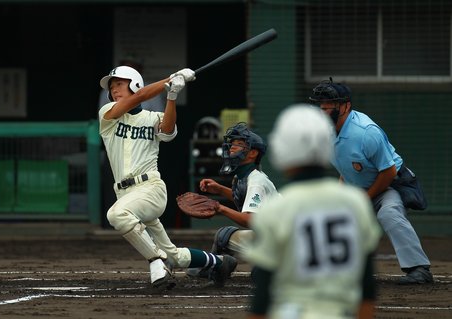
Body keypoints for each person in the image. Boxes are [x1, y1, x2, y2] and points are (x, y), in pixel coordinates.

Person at [98, 65, 236, 288]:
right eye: (112, 87)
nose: (114, 90)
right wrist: (169, 79)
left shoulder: (153, 117)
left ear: (134, 84)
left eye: (119, 84)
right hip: (125, 193)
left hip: (150, 189)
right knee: (174, 255)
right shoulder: (107, 114)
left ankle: (156, 260)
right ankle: (219, 263)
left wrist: (172, 95)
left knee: (117, 215)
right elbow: (141, 96)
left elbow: (168, 131)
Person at [245, 104, 382, 319]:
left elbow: (262, 295)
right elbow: (366, 285)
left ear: (282, 148)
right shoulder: (355, 202)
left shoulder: (275, 210)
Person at [309, 78, 434, 285]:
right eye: (319, 107)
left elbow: (388, 171)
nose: (322, 112)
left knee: (389, 213)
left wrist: (365, 199)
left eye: (327, 107)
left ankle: (419, 269)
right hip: (357, 188)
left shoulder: (366, 132)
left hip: (389, 185)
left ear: (345, 106)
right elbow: (346, 170)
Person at [186, 122, 278, 278]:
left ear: (252, 153)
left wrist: (220, 208)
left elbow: (250, 220)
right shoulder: (243, 177)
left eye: (240, 145)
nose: (232, 148)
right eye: (232, 144)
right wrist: (220, 189)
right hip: (273, 237)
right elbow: (243, 197)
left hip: (283, 242)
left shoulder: (257, 182)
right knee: (225, 235)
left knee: (225, 236)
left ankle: (216, 267)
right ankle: (218, 265)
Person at [98, 56, 164, 112]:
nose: (114, 90)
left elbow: (161, 120)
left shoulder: (152, 91)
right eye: (124, 66)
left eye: (132, 67)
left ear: (140, 69)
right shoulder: (106, 92)